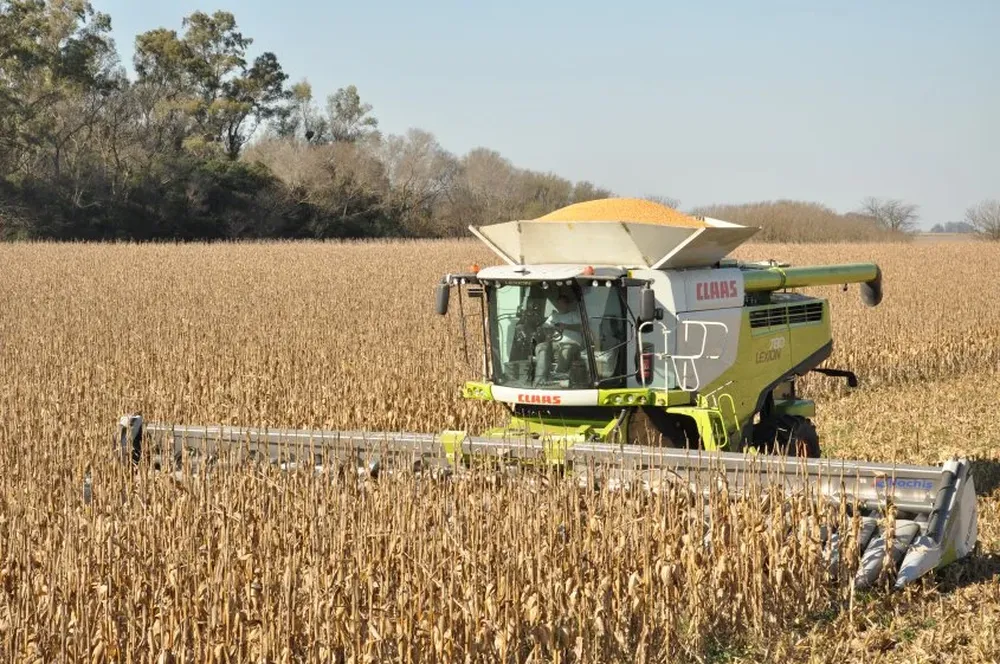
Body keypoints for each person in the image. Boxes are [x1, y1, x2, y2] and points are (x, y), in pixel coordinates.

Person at [533, 289, 585, 384]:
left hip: (572, 344)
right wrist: (546, 330)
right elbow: (545, 327)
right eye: (558, 304)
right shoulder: (554, 316)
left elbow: (583, 328)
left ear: (567, 304)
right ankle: (540, 378)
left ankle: (559, 376)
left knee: (566, 350)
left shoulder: (574, 315)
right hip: (555, 343)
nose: (560, 306)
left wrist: (566, 326)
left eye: (562, 304)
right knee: (541, 347)